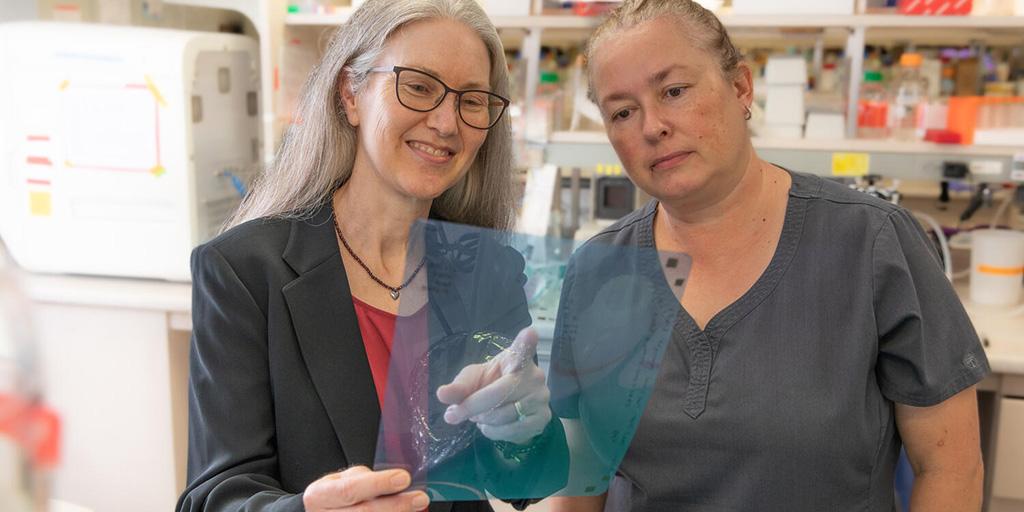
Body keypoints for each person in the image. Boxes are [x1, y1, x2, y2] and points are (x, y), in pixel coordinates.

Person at [548, 1, 989, 510]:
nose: (652, 126)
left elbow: (951, 467)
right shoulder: (599, 269)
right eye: (622, 111)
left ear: (740, 87)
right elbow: (582, 480)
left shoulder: (871, 243)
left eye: (674, 91)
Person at [176, 1, 565, 511]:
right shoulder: (245, 272)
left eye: (472, 100)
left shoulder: (485, 270)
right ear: (350, 95)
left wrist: (528, 427)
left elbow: (530, 481)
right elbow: (214, 497)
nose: (447, 123)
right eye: (419, 86)